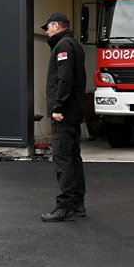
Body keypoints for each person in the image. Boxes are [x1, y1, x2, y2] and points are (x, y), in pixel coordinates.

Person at [40, 12, 86, 222]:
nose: (47, 32)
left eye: (48, 27)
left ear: (57, 26)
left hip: (64, 114)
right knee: (73, 157)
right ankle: (77, 204)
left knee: (62, 159)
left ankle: (64, 206)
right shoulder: (73, 44)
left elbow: (64, 79)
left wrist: (58, 107)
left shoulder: (63, 46)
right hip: (73, 113)